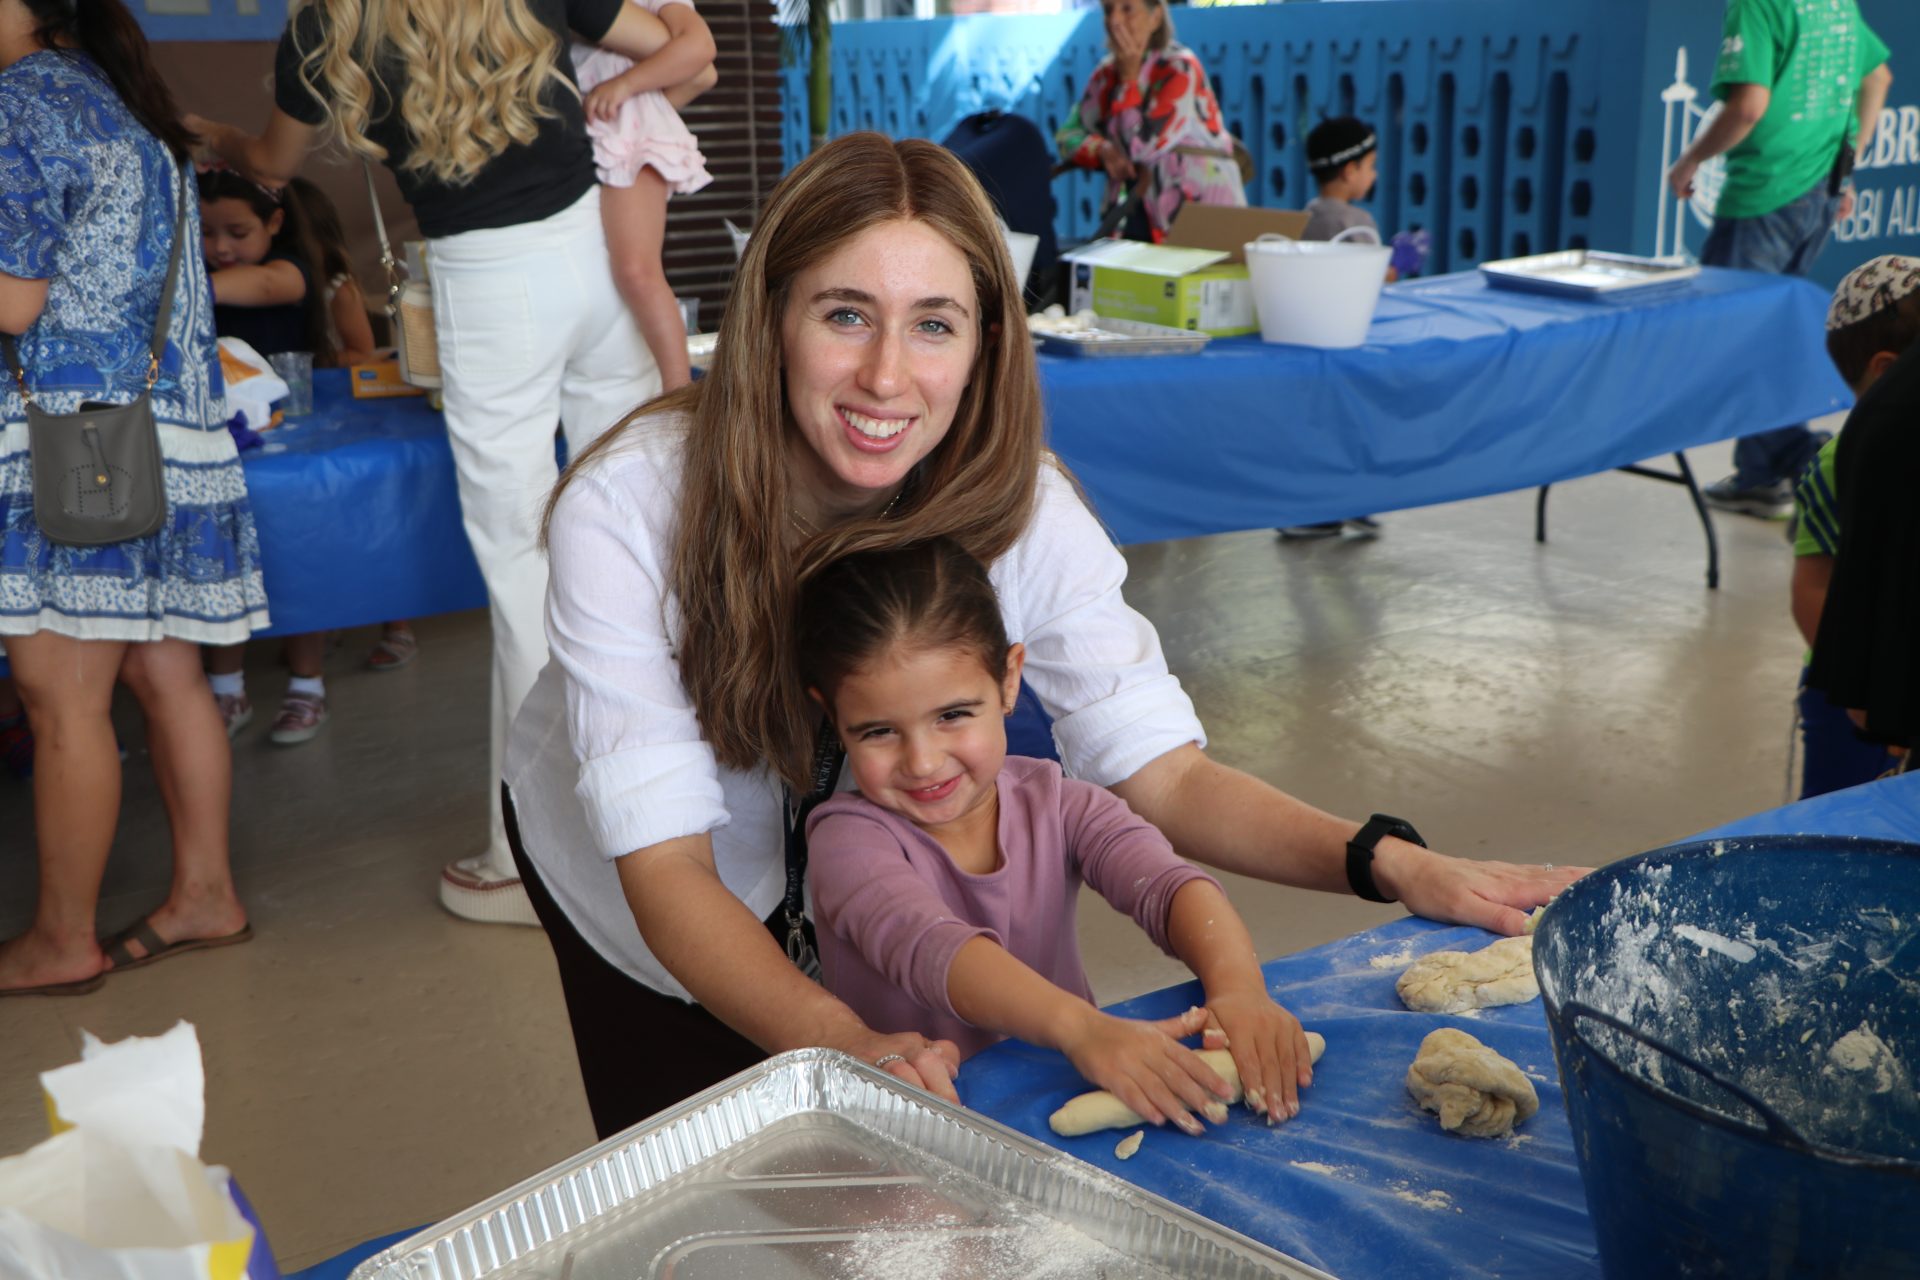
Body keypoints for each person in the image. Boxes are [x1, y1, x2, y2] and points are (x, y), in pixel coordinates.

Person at [501, 131, 1583, 1139]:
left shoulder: (1017, 502)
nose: (887, 376)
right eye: (844, 314)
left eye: (934, 322)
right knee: (708, 1164)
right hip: (658, 894)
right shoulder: (632, 508)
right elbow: (670, 868)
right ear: (771, 317)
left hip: (870, 871)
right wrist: (841, 1040)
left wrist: (1389, 858)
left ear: (985, 341)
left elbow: (1162, 773)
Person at [194, 0, 674, 925]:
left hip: (488, 282)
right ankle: (665, 821)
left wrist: (215, 132)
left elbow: (270, 169)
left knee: (524, 565)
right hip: (598, 251)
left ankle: (536, 864)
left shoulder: (328, 25)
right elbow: (671, 52)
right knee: (630, 535)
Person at [799, 539, 1317, 1130]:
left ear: (1009, 679)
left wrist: (1240, 989)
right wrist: (1083, 1029)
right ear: (832, 716)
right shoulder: (846, 842)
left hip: (1068, 1093)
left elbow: (1171, 888)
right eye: (879, 732)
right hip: (914, 1127)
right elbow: (935, 949)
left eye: (952, 716)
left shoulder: (1061, 804)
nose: (922, 762)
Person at [0, 0, 267, 995]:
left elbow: (14, 301)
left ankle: (61, 937)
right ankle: (205, 890)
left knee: (62, 698)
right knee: (168, 678)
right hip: (171, 432)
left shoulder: (18, 102)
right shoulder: (126, 102)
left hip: (74, 440)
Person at [1667, 0, 1890, 519]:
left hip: (1765, 195)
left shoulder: (1757, 5)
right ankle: (1765, 471)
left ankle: (1797, 459)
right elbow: (1877, 78)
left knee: (1739, 339)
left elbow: (1747, 107)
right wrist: (1846, 164)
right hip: (1821, 190)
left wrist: (1691, 158)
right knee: (1770, 334)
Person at [198, 168, 338, 746]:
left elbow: (259, 288)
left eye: (236, 231)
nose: (221, 247)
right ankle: (226, 688)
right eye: (205, 234)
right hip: (226, 444)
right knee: (223, 560)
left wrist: (184, 285)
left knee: (294, 564)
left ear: (275, 223)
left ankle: (307, 687)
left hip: (293, 449)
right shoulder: (203, 275)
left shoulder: (290, 274)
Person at [1788, 256, 1919, 797]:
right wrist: (1861, 690)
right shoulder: (1840, 462)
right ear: (1889, 371)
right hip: (1850, 690)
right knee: (1837, 838)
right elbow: (1812, 585)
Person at [284, 175, 422, 673]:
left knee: (373, 516)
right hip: (301, 420)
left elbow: (362, 353)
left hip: (347, 412)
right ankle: (330, 615)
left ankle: (398, 625)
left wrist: (314, 361)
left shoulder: (338, 286)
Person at [574, 0, 717, 391]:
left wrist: (630, 92)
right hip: (584, 131)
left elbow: (701, 52)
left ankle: (676, 391)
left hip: (625, 137)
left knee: (637, 271)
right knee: (596, 274)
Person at [1282, 116, 1390, 541]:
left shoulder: (1305, 216)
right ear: (1350, 171)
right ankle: (1332, 506)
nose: (1374, 174)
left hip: (1307, 348)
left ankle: (1331, 506)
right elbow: (1370, 281)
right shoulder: (1355, 223)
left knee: (1316, 429)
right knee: (1352, 427)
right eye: (1371, 165)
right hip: (1348, 347)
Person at [1054, 0, 1245, 242]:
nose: (1114, 21)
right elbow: (1067, 135)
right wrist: (1101, 149)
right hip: (1134, 214)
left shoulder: (1180, 68)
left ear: (1155, 18)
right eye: (1108, 10)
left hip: (1195, 215)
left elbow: (1140, 148)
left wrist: (1129, 79)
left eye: (1127, 9)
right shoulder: (1105, 75)